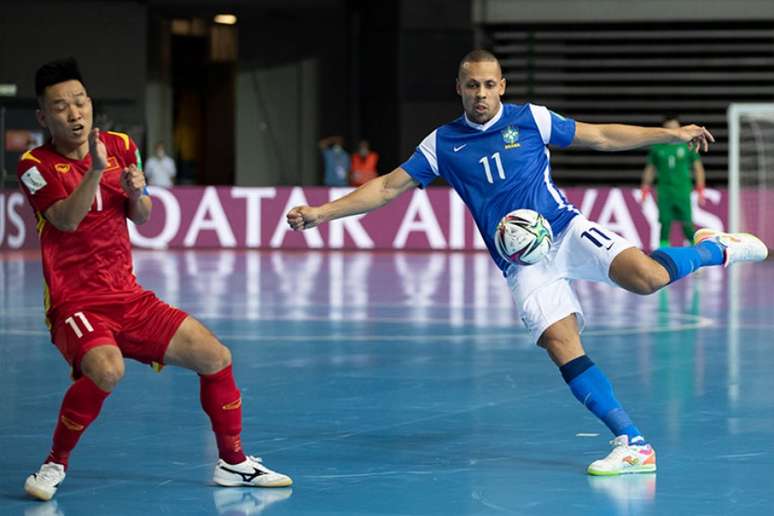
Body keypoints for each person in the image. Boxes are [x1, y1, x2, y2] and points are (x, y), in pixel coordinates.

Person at [287, 50, 768, 476]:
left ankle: (715, 247)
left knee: (646, 278)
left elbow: (598, 135)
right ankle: (633, 443)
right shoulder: (443, 144)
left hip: (563, 229)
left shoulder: (529, 120)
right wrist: (321, 213)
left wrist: (668, 136)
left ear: (503, 86)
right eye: (471, 85)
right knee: (561, 344)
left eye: (489, 84)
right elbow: (388, 186)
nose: (480, 93)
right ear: (458, 88)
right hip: (521, 261)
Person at [17, 58, 291, 502]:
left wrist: (137, 191)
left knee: (215, 356)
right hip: (76, 304)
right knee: (107, 370)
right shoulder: (35, 164)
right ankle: (54, 463)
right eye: (61, 106)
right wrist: (93, 172)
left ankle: (234, 462)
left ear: (90, 103)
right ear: (43, 117)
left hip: (129, 296)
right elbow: (65, 221)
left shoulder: (122, 145)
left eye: (81, 102)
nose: (75, 113)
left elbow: (141, 217)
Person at [640, 114, 706, 247]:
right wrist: (645, 189)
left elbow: (698, 168)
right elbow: (650, 169)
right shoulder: (657, 147)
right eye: (670, 130)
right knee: (664, 223)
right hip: (664, 191)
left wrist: (700, 190)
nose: (674, 133)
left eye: (676, 129)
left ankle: (698, 251)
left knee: (687, 224)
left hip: (682, 190)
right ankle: (664, 255)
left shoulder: (688, 146)